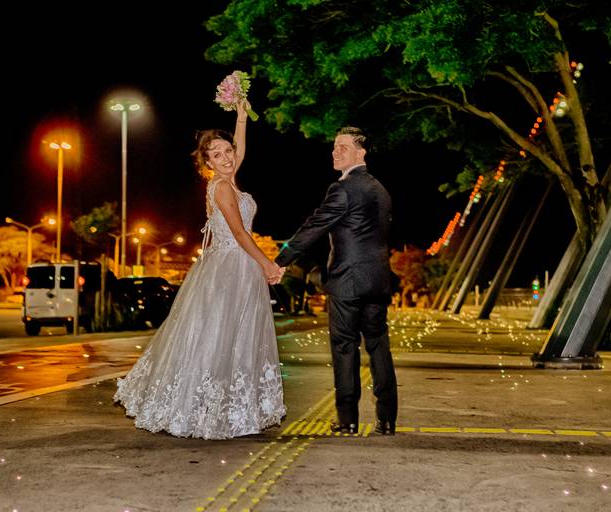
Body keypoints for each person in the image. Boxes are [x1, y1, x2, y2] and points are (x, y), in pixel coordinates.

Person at [113, 101, 286, 440]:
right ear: (207, 162)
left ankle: (229, 409)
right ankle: (198, 409)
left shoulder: (231, 180)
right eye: (217, 154)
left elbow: (241, 146)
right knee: (215, 339)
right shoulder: (220, 186)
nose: (226, 157)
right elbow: (239, 233)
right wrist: (266, 262)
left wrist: (240, 114)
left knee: (235, 340)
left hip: (239, 268)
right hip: (229, 269)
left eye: (228, 151)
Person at [275, 127, 398, 435]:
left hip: (347, 281)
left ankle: (347, 420)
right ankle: (386, 419)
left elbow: (313, 227)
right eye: (334, 147)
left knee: (344, 348)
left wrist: (278, 261)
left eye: (343, 147)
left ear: (361, 152)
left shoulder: (342, 189)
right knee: (379, 347)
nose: (335, 152)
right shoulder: (381, 190)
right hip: (378, 280)